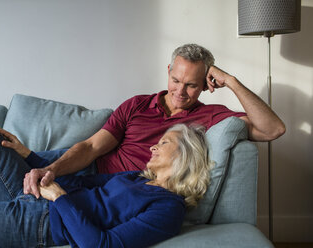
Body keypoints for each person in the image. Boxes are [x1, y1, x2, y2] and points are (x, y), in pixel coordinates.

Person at [18, 43, 285, 199]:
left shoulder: (211, 115)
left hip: (111, 191)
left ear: (206, 84)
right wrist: (52, 168)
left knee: (10, 189)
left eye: (191, 85)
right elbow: (90, 148)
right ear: (168, 71)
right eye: (176, 80)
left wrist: (232, 81)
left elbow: (273, 129)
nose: (180, 91)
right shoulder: (138, 104)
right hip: (78, 165)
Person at [0, 116, 212, 247]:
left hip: (39, 221)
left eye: (164, 143)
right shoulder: (137, 178)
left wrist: (59, 198)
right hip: (35, 192)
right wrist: (30, 157)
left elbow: (100, 245)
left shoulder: (169, 209)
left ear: (184, 157)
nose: (153, 148)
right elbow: (80, 181)